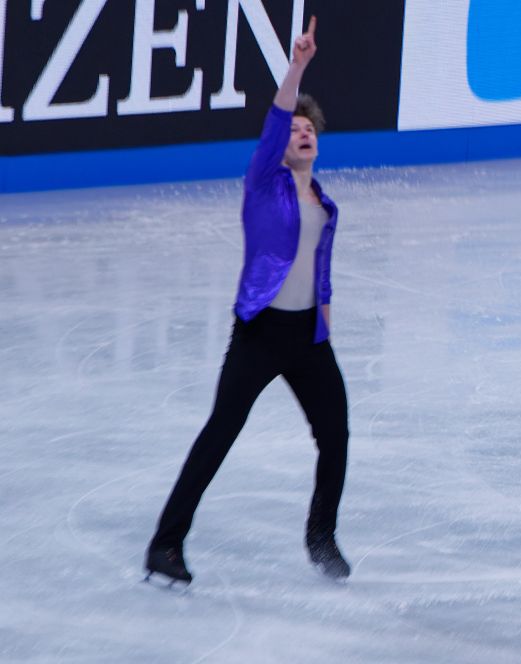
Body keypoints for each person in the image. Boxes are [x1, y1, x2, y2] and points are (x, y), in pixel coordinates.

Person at [145, 16, 351, 585]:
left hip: (307, 337)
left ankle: (321, 535)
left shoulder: (325, 202)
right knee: (220, 433)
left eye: (310, 129)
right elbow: (276, 120)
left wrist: (326, 321)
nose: (303, 133)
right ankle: (164, 546)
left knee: (335, 434)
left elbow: (319, 268)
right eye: (295, 129)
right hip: (260, 331)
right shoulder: (265, 180)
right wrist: (298, 66)